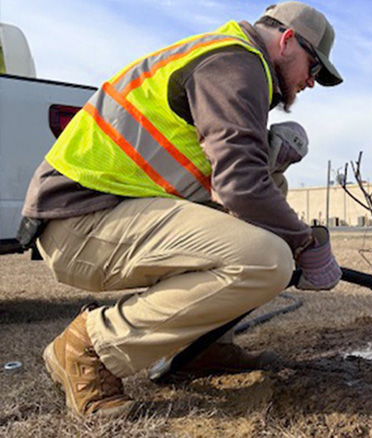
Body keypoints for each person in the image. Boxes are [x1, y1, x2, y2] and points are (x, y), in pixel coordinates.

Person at [18, 1, 343, 418]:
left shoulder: (230, 59)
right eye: (313, 68)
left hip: (107, 209)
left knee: (271, 207)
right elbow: (240, 187)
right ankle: (90, 350)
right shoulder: (236, 64)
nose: (311, 83)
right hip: (79, 219)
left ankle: (197, 348)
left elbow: (235, 180)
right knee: (268, 259)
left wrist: (267, 159)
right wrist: (303, 243)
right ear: (286, 41)